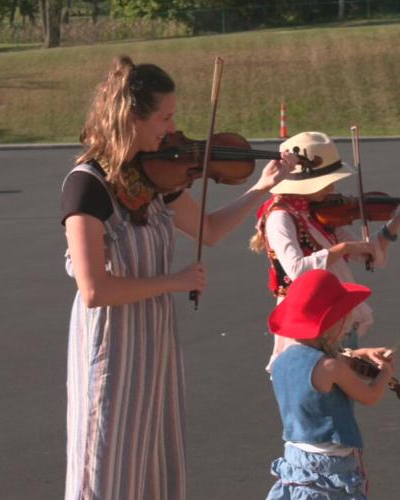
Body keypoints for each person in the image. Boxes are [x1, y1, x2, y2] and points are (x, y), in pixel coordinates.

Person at [60, 55, 296, 500]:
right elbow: (94, 290)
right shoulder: (86, 185)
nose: (171, 130)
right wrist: (175, 280)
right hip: (111, 351)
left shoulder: (154, 179)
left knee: (153, 468)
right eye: (164, 118)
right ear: (130, 118)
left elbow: (209, 229)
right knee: (105, 472)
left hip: (154, 348)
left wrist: (260, 189)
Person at [249, 131, 400, 371]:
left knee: (343, 387)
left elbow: (368, 254)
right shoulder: (280, 217)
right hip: (308, 320)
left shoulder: (317, 212)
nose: (333, 187)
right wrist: (343, 248)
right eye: (326, 181)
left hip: (337, 316)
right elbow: (297, 269)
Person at [265, 269, 396, 500]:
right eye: (343, 320)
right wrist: (385, 372)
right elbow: (370, 395)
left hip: (296, 456)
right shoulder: (330, 367)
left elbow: (318, 362)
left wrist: (360, 353)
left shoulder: (282, 360)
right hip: (330, 462)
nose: (345, 326)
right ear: (330, 324)